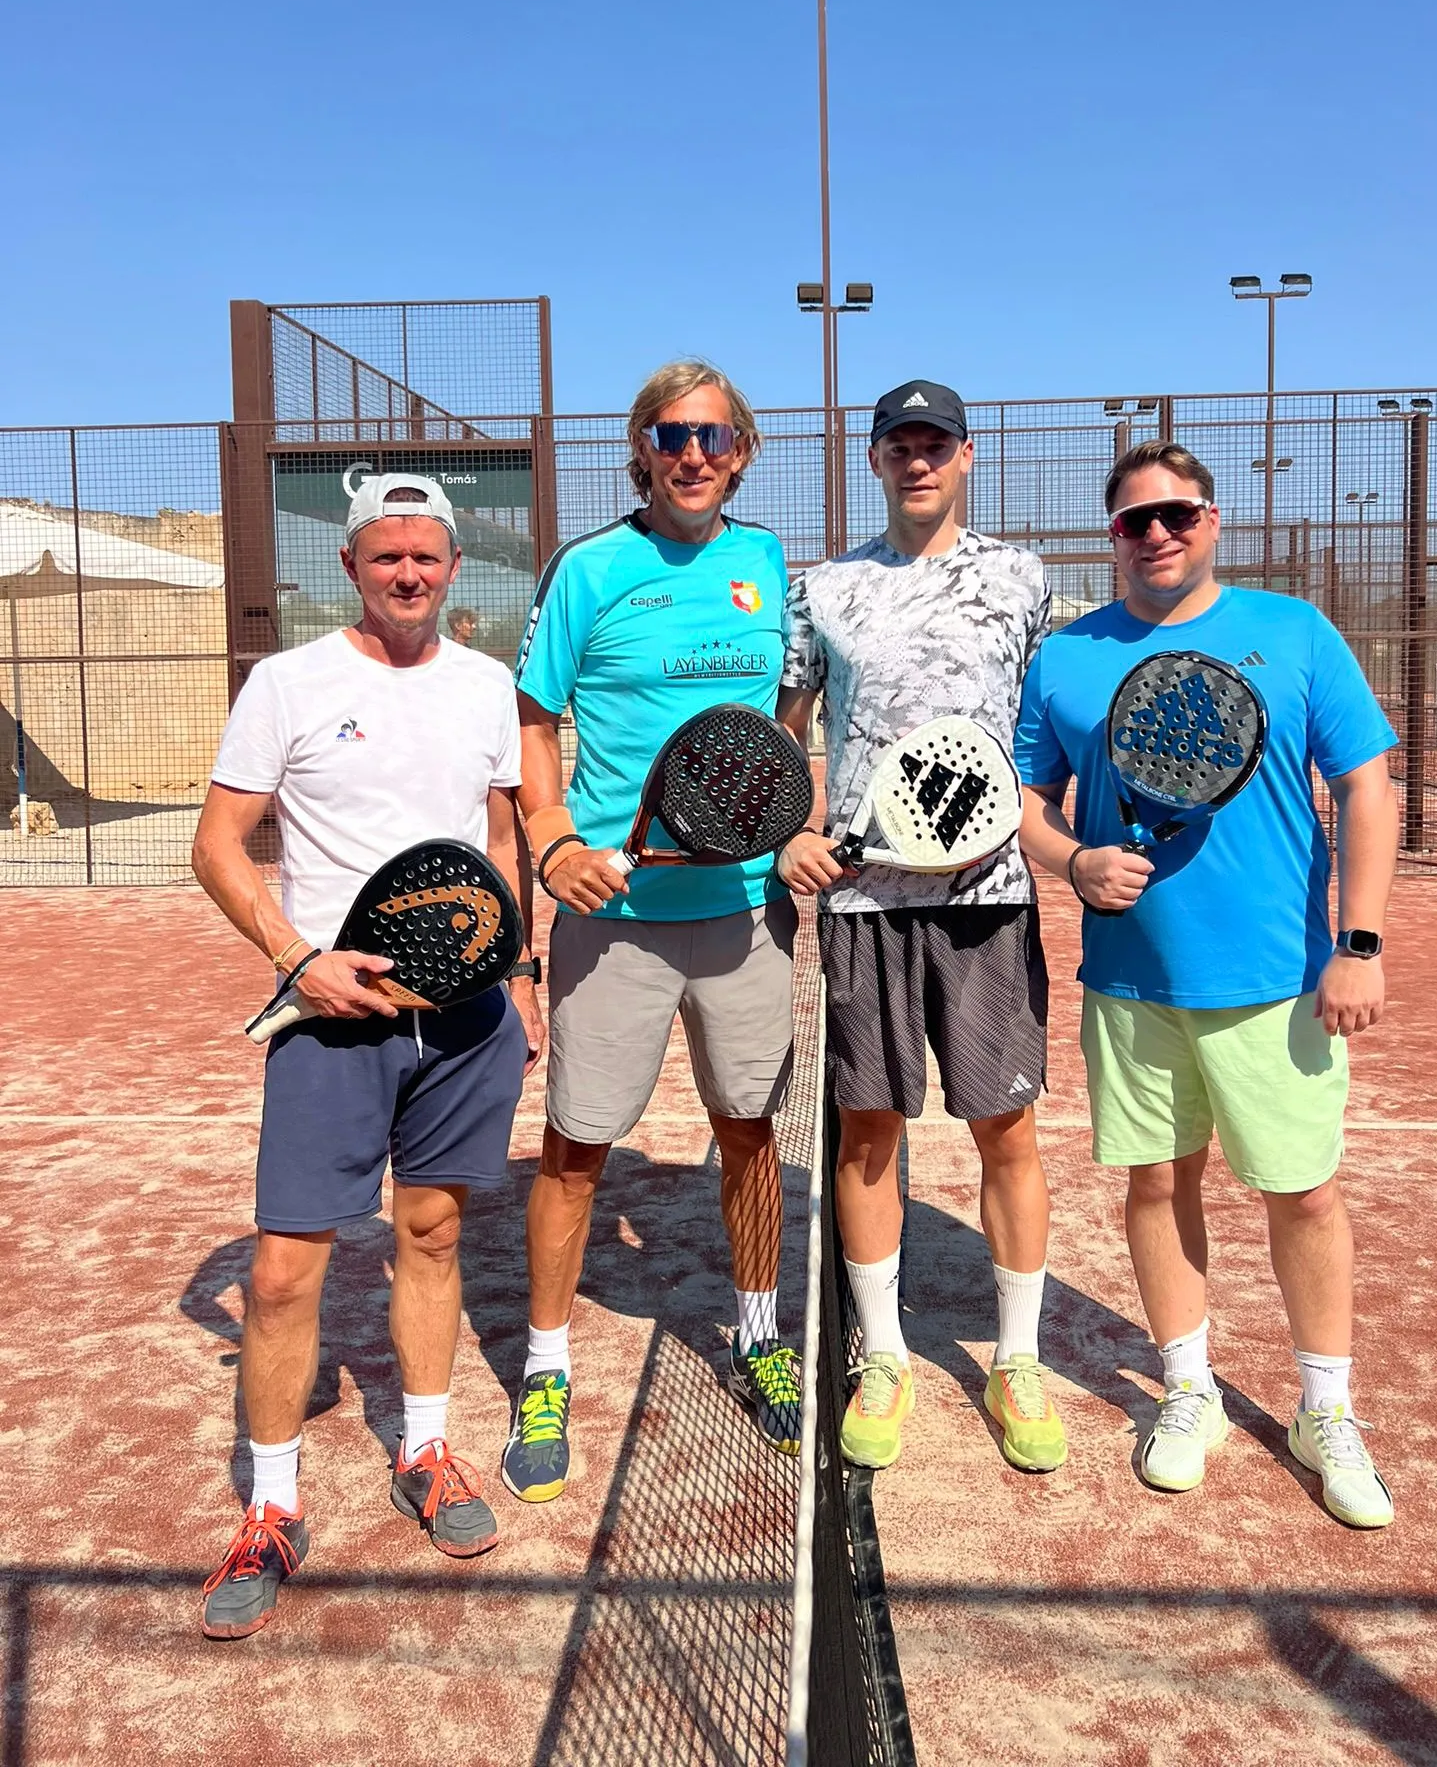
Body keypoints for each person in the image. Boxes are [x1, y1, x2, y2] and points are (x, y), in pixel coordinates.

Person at [1014, 441, 1398, 1528]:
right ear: (1114, 534)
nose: (1157, 534)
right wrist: (1072, 861)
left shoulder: (1293, 631)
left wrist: (1358, 941)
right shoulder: (1068, 658)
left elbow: (1368, 787)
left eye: (1176, 513)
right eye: (1136, 519)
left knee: (1304, 1191)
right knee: (1155, 1186)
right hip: (1131, 983)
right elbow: (1025, 797)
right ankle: (1189, 1388)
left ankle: (1327, 1408)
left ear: (1212, 519)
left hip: (1279, 981)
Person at [191, 474, 544, 1639]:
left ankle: (427, 1454)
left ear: (454, 568)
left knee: (432, 1234)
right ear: (352, 565)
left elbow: (500, 836)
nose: (408, 574)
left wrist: (516, 969)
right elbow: (218, 845)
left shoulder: (489, 684)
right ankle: (272, 1505)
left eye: (428, 558)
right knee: (286, 1271)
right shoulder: (288, 683)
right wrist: (298, 958)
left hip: (464, 1018)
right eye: (387, 556)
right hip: (329, 1016)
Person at [507, 360, 800, 1503]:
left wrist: (785, 822)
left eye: (715, 436)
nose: (693, 454)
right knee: (576, 1147)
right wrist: (552, 842)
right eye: (672, 435)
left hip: (742, 915)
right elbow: (533, 719)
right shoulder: (590, 568)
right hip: (614, 920)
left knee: (748, 1130)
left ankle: (759, 1331)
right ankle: (543, 1366)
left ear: (742, 450)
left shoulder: (769, 562)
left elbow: (786, 715)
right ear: (641, 447)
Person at [776, 380, 1060, 1475]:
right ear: (878, 459)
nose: (918, 459)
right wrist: (790, 833)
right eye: (900, 443)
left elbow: (1041, 720)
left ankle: (1018, 1358)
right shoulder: (828, 587)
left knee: (1008, 1131)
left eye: (935, 442)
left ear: (967, 453)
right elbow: (788, 727)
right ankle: (883, 1354)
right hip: (861, 903)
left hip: (988, 904)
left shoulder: (1021, 577)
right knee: (869, 1134)